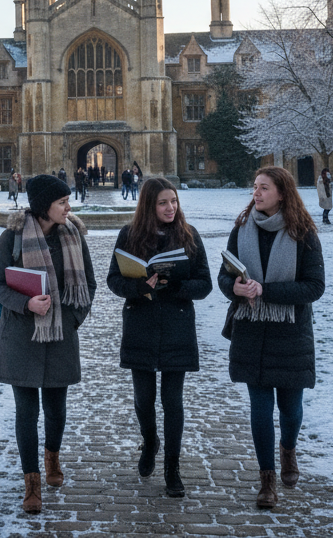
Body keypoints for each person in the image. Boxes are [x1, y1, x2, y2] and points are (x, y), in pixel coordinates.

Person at [0, 175, 97, 513]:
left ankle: (52, 457)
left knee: (56, 409)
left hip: (60, 335)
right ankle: (31, 483)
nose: (68, 207)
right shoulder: (12, 237)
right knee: (26, 412)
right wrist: (26, 304)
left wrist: (72, 320)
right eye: (62, 202)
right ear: (43, 206)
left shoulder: (74, 235)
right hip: (21, 336)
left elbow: (89, 285)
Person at [217, 167, 325, 509]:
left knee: (290, 410)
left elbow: (314, 287)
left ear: (282, 193)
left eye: (264, 188)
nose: (256, 193)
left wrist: (266, 290)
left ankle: (288, 450)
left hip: (290, 332)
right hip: (250, 329)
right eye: (254, 187)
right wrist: (234, 288)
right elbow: (224, 276)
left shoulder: (303, 233)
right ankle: (267, 480)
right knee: (261, 410)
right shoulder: (241, 227)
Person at [106, 177, 212, 497]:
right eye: (163, 203)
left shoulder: (189, 235)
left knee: (172, 401)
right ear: (148, 206)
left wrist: (178, 287)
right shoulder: (129, 235)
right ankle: (150, 441)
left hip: (177, 325)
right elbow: (114, 280)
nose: (170, 208)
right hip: (141, 324)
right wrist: (138, 287)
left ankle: (172, 467)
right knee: (143, 399)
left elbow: (205, 283)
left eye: (174, 201)